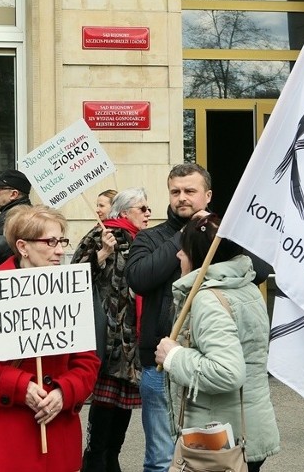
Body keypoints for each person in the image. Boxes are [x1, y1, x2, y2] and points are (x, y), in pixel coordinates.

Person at [0, 204, 101, 472]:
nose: (60, 250)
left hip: (59, 441)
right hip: (8, 441)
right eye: (50, 241)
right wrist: (21, 387)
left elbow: (88, 363)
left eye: (62, 240)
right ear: (23, 246)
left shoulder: (69, 288)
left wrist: (64, 391)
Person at [155, 214, 280, 472]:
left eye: (184, 248)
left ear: (198, 254)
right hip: (245, 430)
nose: (179, 255)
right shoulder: (243, 285)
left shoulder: (209, 299)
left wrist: (173, 356)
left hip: (220, 441)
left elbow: (228, 372)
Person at [126, 163, 212, 472]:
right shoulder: (149, 238)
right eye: (175, 191)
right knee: (161, 459)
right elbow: (139, 278)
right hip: (160, 364)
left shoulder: (221, 236)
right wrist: (183, 235)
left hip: (207, 363)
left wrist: (210, 232)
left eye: (190, 191)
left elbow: (253, 269)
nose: (182, 198)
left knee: (206, 458)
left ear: (207, 195)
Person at [72, 187, 150, 472]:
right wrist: (102, 254)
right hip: (107, 334)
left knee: (123, 403)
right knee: (106, 401)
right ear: (125, 211)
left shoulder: (143, 240)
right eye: (143, 208)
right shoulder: (99, 234)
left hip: (132, 336)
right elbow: (72, 277)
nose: (148, 213)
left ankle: (112, 458)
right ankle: (94, 459)